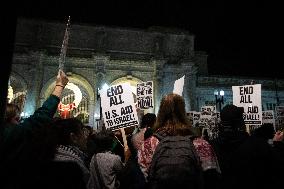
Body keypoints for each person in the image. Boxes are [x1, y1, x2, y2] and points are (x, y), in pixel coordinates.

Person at [137, 93, 204, 189]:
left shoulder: (147, 145)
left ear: (160, 113)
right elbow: (211, 176)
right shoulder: (200, 144)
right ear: (183, 112)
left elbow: (144, 179)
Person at [53, 118, 90, 186]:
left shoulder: (50, 156)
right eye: (83, 132)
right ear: (73, 137)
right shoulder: (75, 167)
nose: (86, 137)